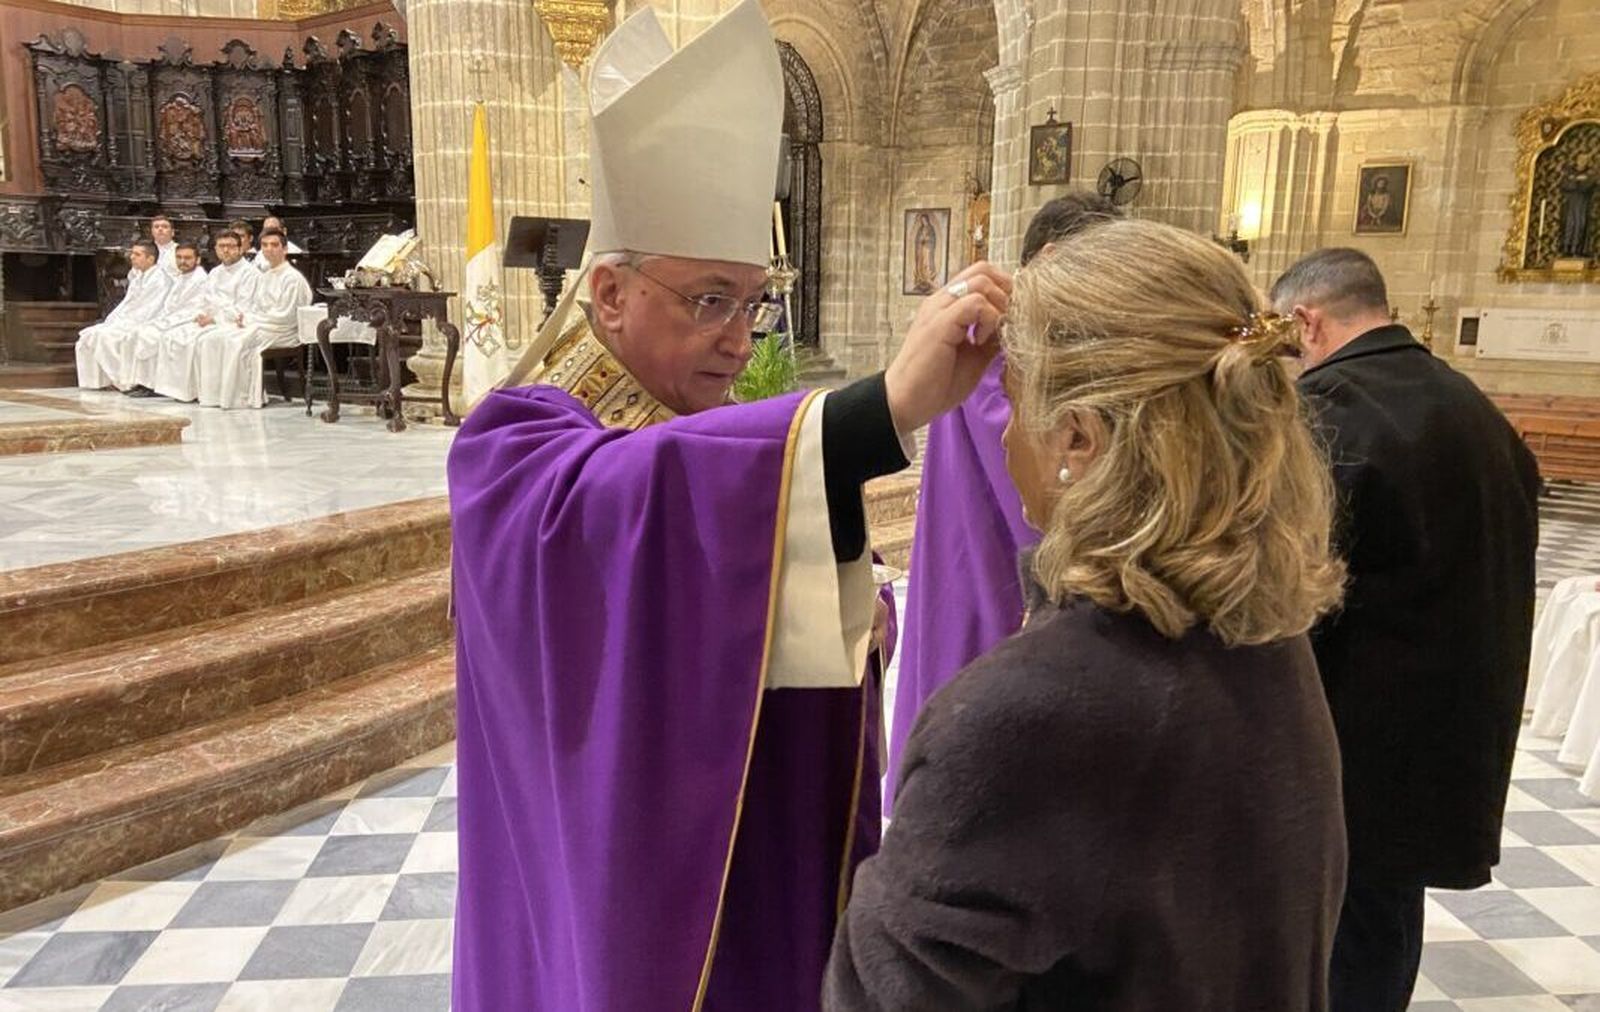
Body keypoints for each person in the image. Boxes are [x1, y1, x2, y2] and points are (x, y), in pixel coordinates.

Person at [446, 4, 1006, 1010]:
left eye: (754, 301)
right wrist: (883, 407)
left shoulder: (685, 429)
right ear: (608, 294)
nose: (741, 338)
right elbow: (626, 504)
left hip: (723, 850)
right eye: (709, 299)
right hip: (597, 886)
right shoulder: (511, 445)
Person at [826, 220, 1349, 1011]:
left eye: (1017, 400)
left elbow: (877, 998)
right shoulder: (1264, 634)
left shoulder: (1034, 710)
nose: (1004, 437)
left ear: (1079, 435)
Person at [1270, 249, 1542, 1011]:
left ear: (1306, 322)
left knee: (1339, 945)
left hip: (1352, 738)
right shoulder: (1468, 404)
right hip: (1447, 732)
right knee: (1382, 925)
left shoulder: (1329, 410)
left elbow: (1287, 593)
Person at [886, 191, 1119, 814]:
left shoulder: (1032, 348)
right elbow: (1049, 489)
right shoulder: (1008, 353)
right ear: (1048, 261)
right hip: (991, 568)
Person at [193, 228, 310, 409]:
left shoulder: (292, 278)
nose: (269, 249)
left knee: (234, 341)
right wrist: (246, 317)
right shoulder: (266, 275)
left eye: (274, 245)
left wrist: (249, 320)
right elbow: (256, 306)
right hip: (263, 325)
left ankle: (241, 398)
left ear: (285, 249)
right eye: (264, 245)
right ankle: (215, 396)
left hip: (282, 331)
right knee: (214, 338)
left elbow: (285, 316)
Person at [154, 231, 260, 402]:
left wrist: (215, 318)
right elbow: (203, 300)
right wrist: (201, 315)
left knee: (199, 341)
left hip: (232, 323)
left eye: (231, 246)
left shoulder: (250, 273)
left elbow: (245, 306)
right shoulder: (215, 273)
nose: (226, 250)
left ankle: (206, 393)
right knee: (172, 336)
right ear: (216, 249)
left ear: (240, 249)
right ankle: (182, 391)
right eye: (221, 246)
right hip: (209, 320)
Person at [97, 241, 207, 396]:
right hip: (169, 319)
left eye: (187, 258)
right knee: (138, 333)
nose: (182, 261)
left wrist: (167, 321)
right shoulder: (182, 278)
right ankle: (135, 382)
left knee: (147, 336)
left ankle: (151, 386)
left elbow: (194, 308)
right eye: (179, 257)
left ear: (198, 259)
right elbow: (169, 306)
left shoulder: (200, 279)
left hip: (186, 321)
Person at [76, 240, 173, 389]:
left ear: (151, 258)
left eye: (137, 254)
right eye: (132, 253)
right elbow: (126, 304)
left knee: (105, 337)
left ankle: (124, 381)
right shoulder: (138, 277)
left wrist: (123, 323)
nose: (132, 257)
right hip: (127, 320)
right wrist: (112, 320)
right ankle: (96, 382)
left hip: (145, 322)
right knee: (87, 336)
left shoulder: (160, 279)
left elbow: (151, 309)